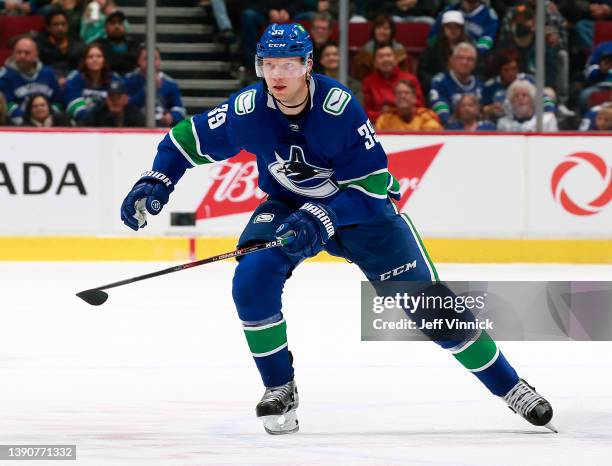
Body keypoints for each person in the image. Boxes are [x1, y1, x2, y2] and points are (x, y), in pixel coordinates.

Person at [119, 22, 555, 436]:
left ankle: (511, 386)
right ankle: (280, 389)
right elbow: (183, 140)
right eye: (269, 64)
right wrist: (158, 179)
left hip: (365, 214)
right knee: (251, 279)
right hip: (290, 204)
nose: (277, 74)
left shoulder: (339, 108)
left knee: (427, 307)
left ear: (308, 65)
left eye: (287, 64)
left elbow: (370, 185)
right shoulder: (248, 110)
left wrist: (323, 217)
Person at [0, 36, 63, 125]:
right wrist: (27, 118)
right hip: (17, 124)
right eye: (19, 52)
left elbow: (58, 101)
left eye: (27, 53)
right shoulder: (4, 76)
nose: (22, 56)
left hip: (49, 122)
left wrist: (50, 114)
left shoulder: (49, 74)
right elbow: (6, 104)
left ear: (36, 54)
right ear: (13, 54)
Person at [124, 46, 186, 127]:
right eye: (146, 59)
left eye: (155, 58)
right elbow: (125, 107)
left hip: (162, 129)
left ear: (160, 61)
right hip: (134, 127)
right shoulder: (128, 80)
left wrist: (172, 116)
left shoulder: (170, 83)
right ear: (138, 60)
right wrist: (147, 90)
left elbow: (180, 109)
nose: (151, 62)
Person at [362, 44, 424, 122]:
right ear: (375, 62)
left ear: (396, 59)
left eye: (389, 55)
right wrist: (385, 116)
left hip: (409, 123)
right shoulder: (368, 82)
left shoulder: (410, 79)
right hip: (378, 125)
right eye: (381, 57)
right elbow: (366, 112)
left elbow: (419, 106)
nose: (385, 59)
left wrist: (393, 112)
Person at [63, 42, 122, 123]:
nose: (95, 59)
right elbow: (72, 104)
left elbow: (119, 105)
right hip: (81, 124)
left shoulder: (114, 79)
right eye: (90, 57)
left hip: (107, 124)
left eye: (99, 56)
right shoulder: (75, 78)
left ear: (104, 60)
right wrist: (90, 121)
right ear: (85, 61)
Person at [429, 41, 483, 126]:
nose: (464, 62)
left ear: (475, 63)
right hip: (447, 130)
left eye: (470, 59)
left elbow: (481, 112)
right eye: (460, 58)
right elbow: (440, 108)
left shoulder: (479, 84)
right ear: (452, 60)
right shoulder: (440, 82)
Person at [417, 10, 471, 94]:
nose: (452, 30)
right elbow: (422, 73)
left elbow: (480, 72)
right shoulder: (433, 47)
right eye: (449, 27)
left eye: (456, 27)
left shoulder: (470, 47)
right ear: (443, 28)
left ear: (461, 29)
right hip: (438, 89)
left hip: (465, 89)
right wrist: (436, 82)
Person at [428, 0, 498, 56]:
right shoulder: (449, 10)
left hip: (472, 58)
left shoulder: (490, 16)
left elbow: (487, 41)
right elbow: (432, 37)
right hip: (445, 55)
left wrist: (474, 53)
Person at [353, 14, 410, 80]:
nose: (382, 31)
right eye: (378, 28)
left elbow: (405, 74)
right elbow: (361, 76)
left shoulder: (399, 49)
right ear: (374, 30)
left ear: (391, 31)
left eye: (386, 29)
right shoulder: (367, 49)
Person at [37, 8, 85, 86]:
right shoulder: (39, 44)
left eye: (63, 24)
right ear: (48, 27)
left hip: (73, 81)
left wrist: (68, 79)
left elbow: (81, 68)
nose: (60, 28)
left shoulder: (77, 43)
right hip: (47, 82)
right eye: (56, 24)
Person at [375, 80, 442, 131]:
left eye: (406, 93)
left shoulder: (426, 118)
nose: (402, 96)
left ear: (414, 98)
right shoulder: (385, 120)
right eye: (399, 93)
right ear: (394, 98)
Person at [97, 10, 139, 75]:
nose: (117, 26)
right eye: (112, 23)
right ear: (105, 28)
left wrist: (113, 58)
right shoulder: (99, 45)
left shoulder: (133, 43)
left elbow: (135, 61)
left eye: (120, 23)